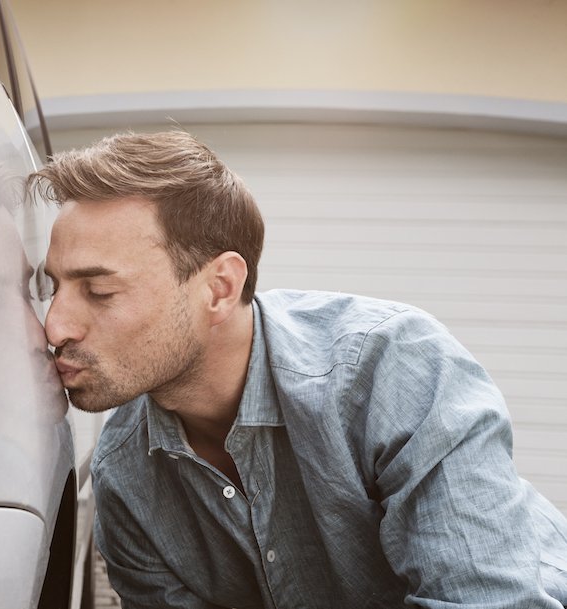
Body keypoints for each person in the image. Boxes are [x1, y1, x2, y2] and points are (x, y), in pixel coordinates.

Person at [28, 130, 567, 608]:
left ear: (219, 288)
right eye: (53, 288)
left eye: (98, 290)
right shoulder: (123, 475)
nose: (55, 327)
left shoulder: (389, 367)